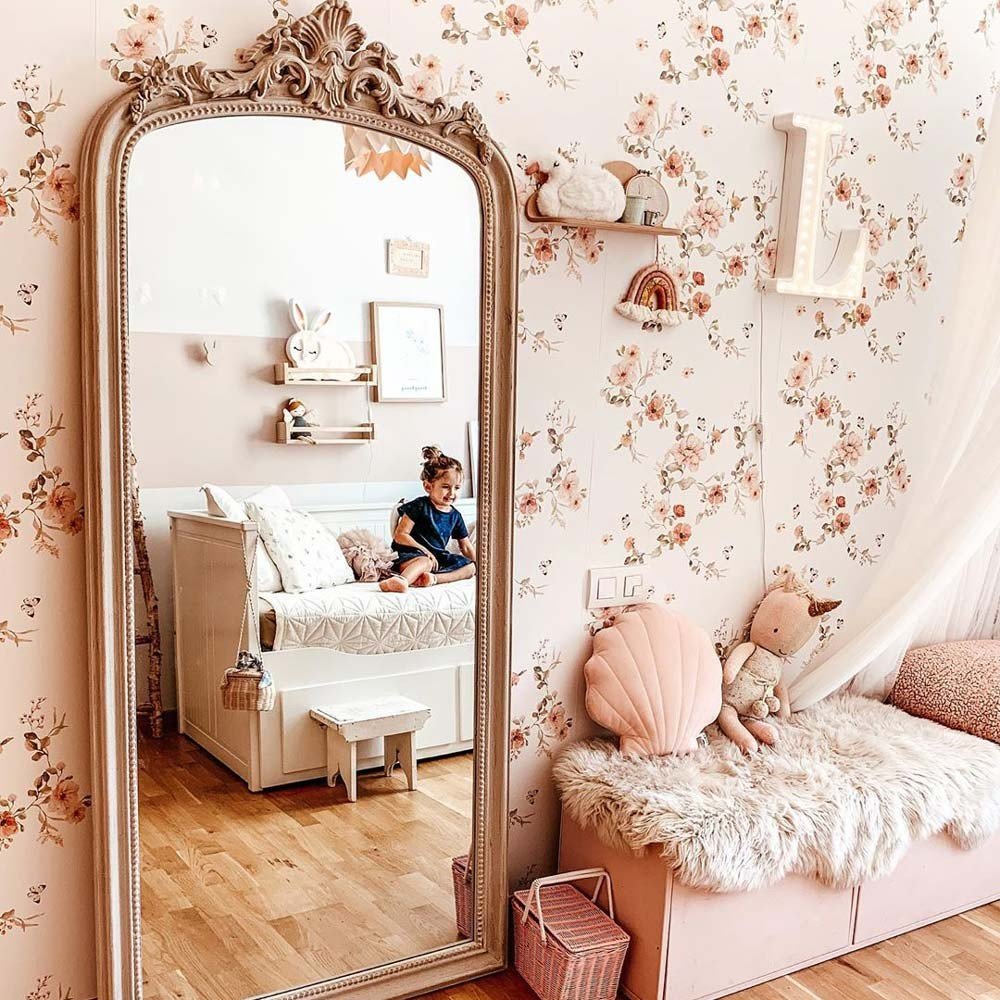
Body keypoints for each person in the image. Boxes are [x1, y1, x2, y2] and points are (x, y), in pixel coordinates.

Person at [380, 445, 477, 593]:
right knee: (424, 562)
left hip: (437, 558)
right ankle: (401, 581)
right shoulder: (419, 506)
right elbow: (400, 535)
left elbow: (466, 547)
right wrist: (424, 551)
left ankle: (432, 579)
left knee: (471, 567)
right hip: (411, 555)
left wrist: (482, 566)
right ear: (428, 486)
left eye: (457, 488)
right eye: (445, 487)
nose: (452, 493)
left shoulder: (455, 515)